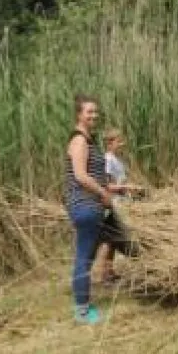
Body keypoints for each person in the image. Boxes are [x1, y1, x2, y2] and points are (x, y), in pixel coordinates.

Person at [65, 95, 137, 323]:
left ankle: (157, 275)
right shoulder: (78, 141)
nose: (94, 115)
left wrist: (107, 192)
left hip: (96, 207)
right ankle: (82, 312)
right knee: (84, 257)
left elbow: (94, 174)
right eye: (89, 112)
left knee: (126, 241)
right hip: (85, 206)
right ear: (79, 114)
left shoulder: (89, 140)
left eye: (96, 111)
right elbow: (81, 176)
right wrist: (104, 193)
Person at [96, 129, 145, 285]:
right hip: (112, 204)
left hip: (120, 203)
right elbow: (107, 185)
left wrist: (130, 189)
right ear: (110, 143)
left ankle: (109, 273)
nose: (122, 144)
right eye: (119, 141)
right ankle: (104, 275)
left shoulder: (117, 160)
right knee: (109, 240)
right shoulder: (108, 160)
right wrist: (128, 187)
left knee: (112, 240)